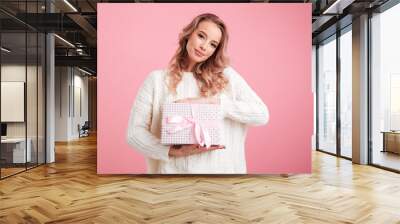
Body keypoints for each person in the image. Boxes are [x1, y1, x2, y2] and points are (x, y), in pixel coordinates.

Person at [126, 13, 269, 174]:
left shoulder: (227, 77)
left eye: (213, 44)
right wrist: (170, 151)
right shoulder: (157, 80)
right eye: (201, 36)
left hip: (220, 179)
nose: (204, 46)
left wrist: (216, 104)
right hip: (173, 180)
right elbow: (134, 133)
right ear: (189, 34)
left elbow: (262, 114)